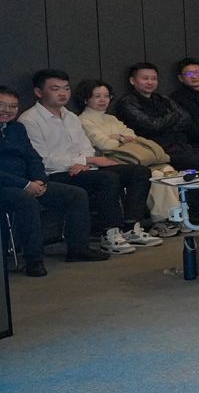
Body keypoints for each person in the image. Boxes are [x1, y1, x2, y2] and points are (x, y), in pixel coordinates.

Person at [21, 70, 160, 255]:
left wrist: (85, 162)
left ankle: (131, 227)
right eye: (55, 89)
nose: (62, 93)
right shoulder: (30, 120)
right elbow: (41, 159)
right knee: (106, 178)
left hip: (83, 169)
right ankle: (110, 234)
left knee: (138, 172)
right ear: (39, 92)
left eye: (66, 88)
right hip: (54, 173)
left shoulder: (70, 116)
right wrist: (85, 160)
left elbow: (86, 147)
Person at [0, 86, 103, 274]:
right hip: (6, 186)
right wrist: (25, 185)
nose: (7, 110)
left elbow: (33, 157)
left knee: (76, 195)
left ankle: (78, 250)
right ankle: (34, 260)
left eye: (13, 106)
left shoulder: (17, 129)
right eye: (2, 105)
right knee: (27, 201)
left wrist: (39, 180)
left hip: (30, 182)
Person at [75, 78, 179, 236]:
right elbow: (105, 145)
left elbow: (133, 137)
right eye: (97, 96)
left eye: (106, 96)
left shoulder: (111, 118)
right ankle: (161, 220)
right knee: (155, 174)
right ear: (85, 99)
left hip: (129, 158)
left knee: (167, 170)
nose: (103, 100)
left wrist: (116, 137)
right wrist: (122, 138)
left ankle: (174, 217)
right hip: (108, 161)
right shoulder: (83, 120)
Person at [114, 61, 199, 173]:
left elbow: (186, 119)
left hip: (181, 145)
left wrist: (164, 125)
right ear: (132, 80)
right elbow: (151, 126)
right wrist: (173, 117)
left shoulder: (163, 99)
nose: (150, 82)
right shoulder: (127, 103)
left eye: (154, 78)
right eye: (145, 78)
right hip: (155, 150)